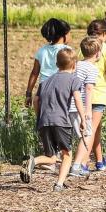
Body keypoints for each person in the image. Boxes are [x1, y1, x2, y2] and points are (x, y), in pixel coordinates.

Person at [21, 47, 88, 191]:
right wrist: (83, 119)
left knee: (51, 157)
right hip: (61, 121)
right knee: (67, 154)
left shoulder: (45, 82)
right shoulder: (74, 80)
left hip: (44, 121)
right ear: (74, 65)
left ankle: (34, 161)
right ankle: (59, 185)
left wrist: (40, 117)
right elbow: (77, 99)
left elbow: (36, 100)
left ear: (57, 64)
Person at [85, 19, 106, 171]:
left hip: (85, 93)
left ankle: (99, 161)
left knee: (95, 128)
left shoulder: (83, 47)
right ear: (104, 34)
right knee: (91, 129)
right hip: (99, 94)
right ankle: (83, 162)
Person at [25, 18, 71, 115]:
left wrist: (28, 94)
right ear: (64, 35)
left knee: (44, 118)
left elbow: (34, 73)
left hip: (43, 89)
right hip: (62, 88)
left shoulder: (41, 51)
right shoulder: (67, 51)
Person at [69, 37, 101, 176]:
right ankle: (76, 166)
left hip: (68, 105)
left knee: (74, 136)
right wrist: (88, 110)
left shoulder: (76, 65)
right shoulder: (92, 68)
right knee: (87, 134)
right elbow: (88, 89)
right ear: (98, 53)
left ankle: (71, 163)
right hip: (79, 107)